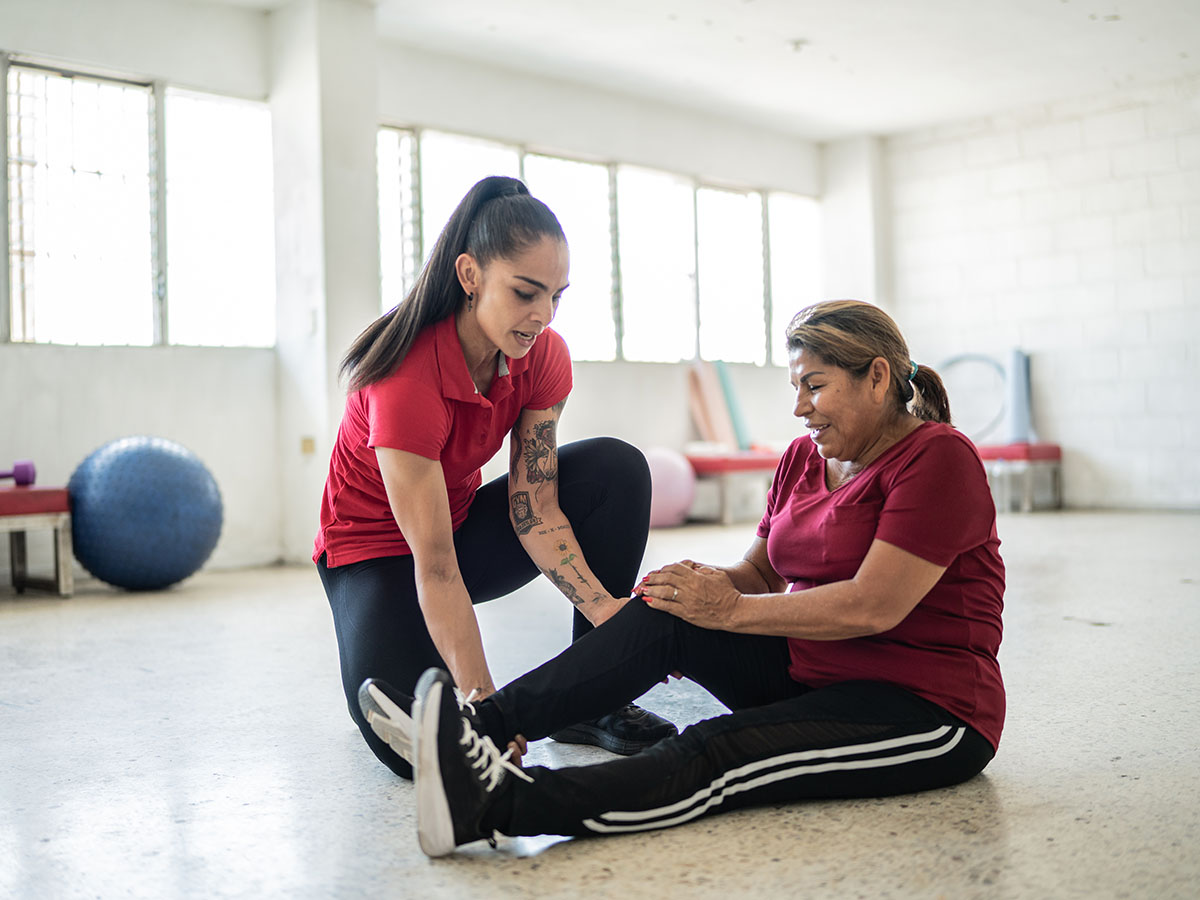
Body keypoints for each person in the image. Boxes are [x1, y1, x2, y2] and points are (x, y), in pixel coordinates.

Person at [363, 299, 1006, 856]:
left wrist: (725, 611)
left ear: (878, 378)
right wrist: (699, 588)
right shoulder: (805, 459)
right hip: (808, 670)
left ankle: (495, 806)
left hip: (919, 711)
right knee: (666, 612)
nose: (800, 408)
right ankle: (482, 731)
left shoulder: (938, 459)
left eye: (815, 386)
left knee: (721, 751)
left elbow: (872, 607)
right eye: (795, 388)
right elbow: (758, 572)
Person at [315, 175, 675, 779]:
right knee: (425, 753)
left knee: (614, 468)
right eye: (525, 293)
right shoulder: (404, 380)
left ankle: (595, 701)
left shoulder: (542, 356)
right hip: (375, 558)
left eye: (556, 296)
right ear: (470, 276)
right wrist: (488, 708)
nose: (542, 316)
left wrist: (611, 618)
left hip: (457, 535)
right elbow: (432, 567)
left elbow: (535, 505)